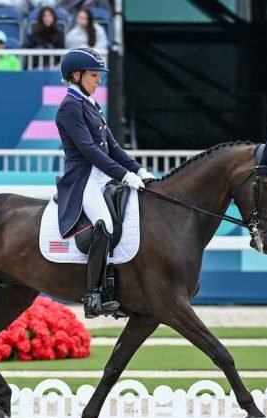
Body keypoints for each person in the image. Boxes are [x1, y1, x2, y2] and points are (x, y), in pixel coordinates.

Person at [55, 48, 155, 318]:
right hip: (84, 178)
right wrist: (123, 176)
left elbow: (113, 148)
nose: (98, 80)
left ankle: (116, 286)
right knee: (105, 223)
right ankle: (93, 295)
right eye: (93, 75)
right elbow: (90, 151)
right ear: (76, 76)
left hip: (102, 175)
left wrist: (140, 171)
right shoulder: (69, 107)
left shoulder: (91, 105)